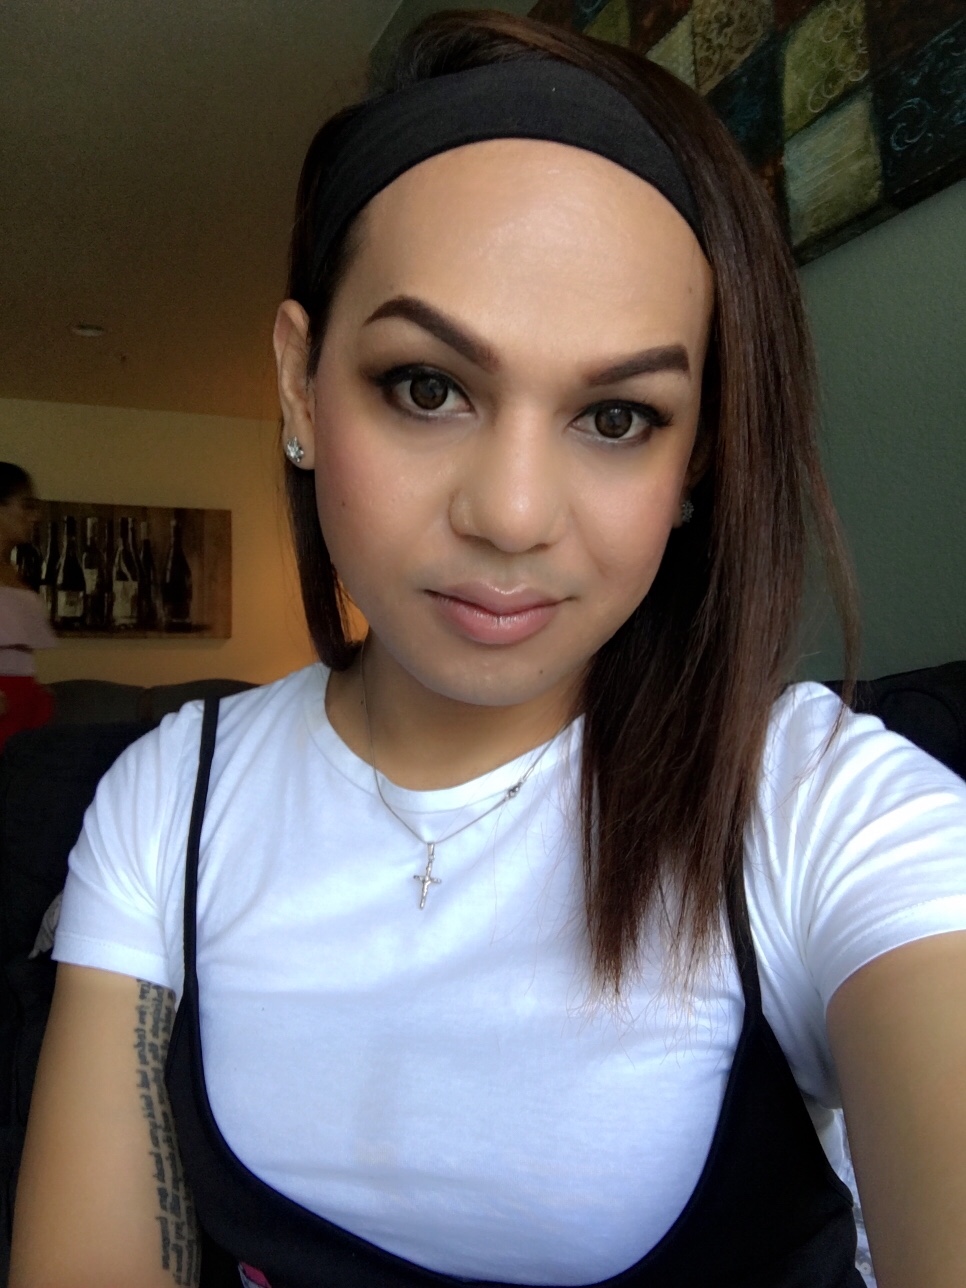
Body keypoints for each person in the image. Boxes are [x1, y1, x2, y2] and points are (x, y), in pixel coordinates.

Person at [10, 11, 966, 1288]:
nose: (512, 515)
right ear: (300, 385)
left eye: (617, 416)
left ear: (697, 457)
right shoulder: (166, 800)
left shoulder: (819, 809)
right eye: (428, 386)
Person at [0, 463, 55, 752]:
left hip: (24, 706)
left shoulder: (12, 571)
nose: (35, 516)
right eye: (26, 506)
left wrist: (35, 694)